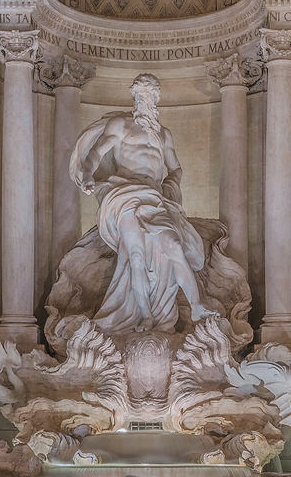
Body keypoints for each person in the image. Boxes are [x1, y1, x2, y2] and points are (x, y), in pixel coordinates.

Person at [69, 72, 210, 334]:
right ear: (134, 96)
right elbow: (96, 154)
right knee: (135, 256)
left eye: (150, 94)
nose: (145, 99)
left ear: (157, 98)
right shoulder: (120, 125)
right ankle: (145, 316)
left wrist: (171, 187)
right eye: (140, 94)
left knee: (174, 246)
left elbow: (176, 168)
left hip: (155, 199)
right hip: (124, 195)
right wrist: (88, 175)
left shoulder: (164, 135)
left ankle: (197, 305)